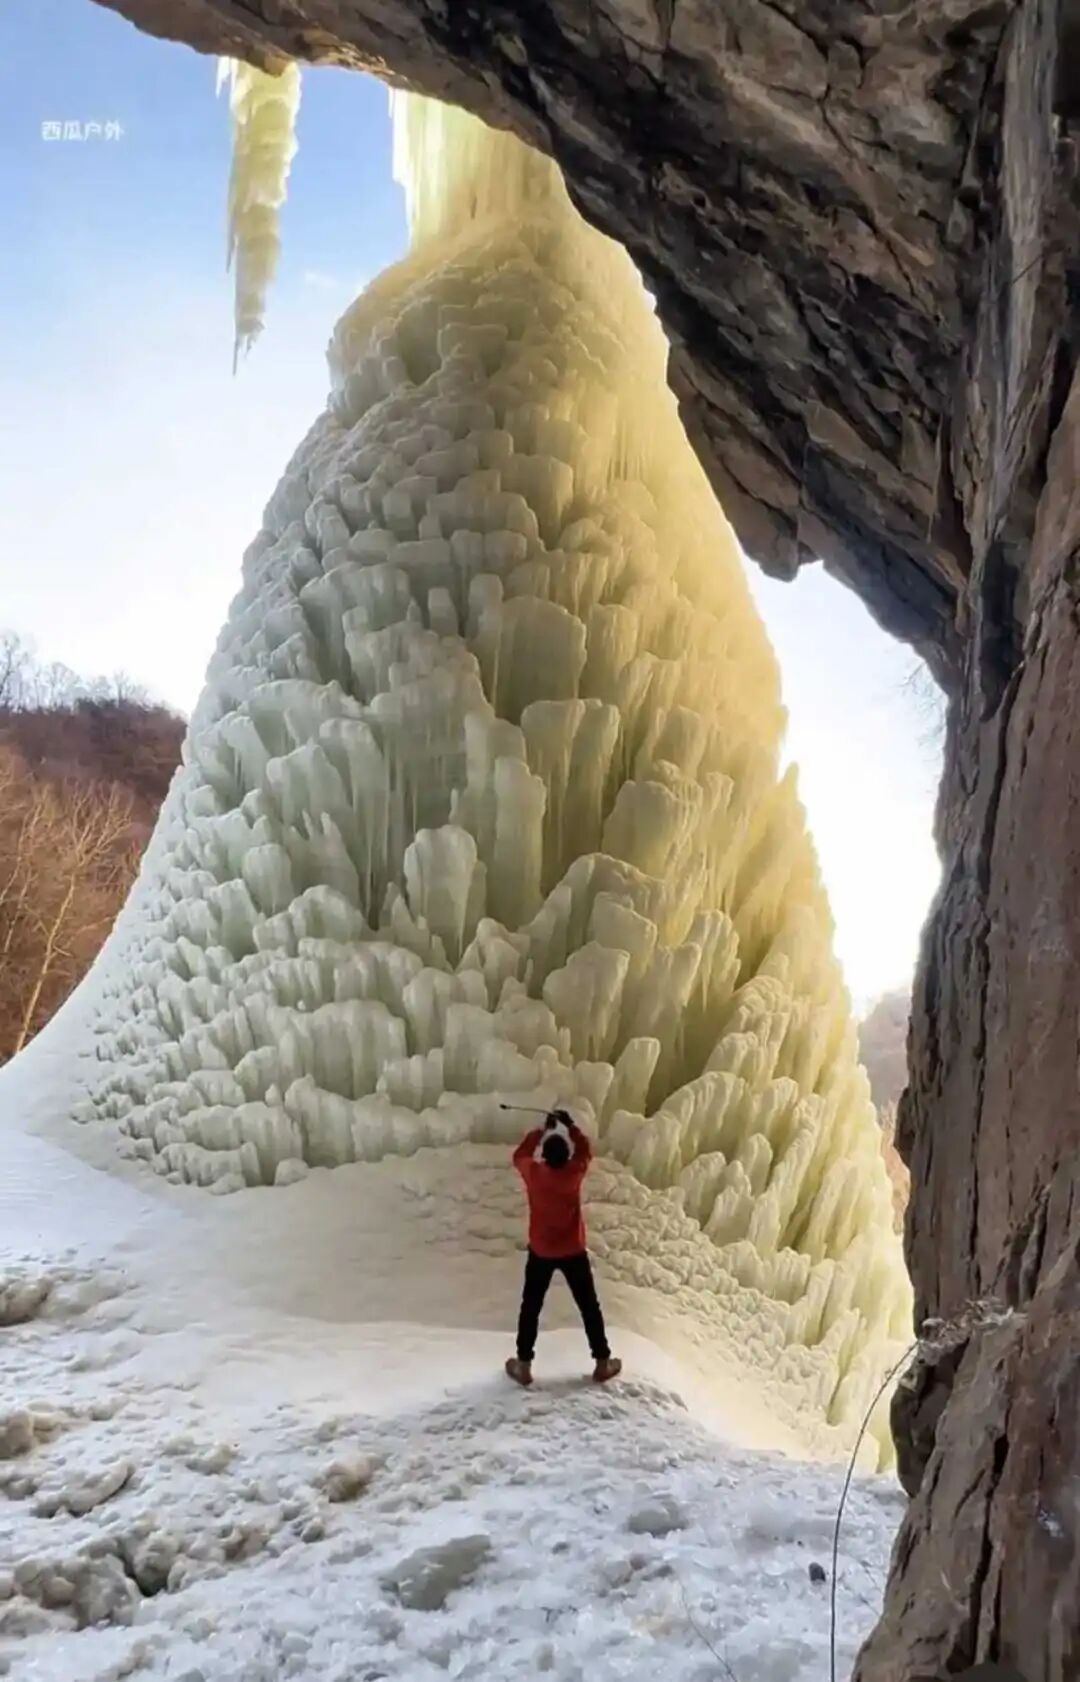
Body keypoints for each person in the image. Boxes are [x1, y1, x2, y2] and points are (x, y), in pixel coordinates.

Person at [505, 1108, 621, 1387]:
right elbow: (585, 1151)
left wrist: (542, 1130)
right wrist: (570, 1126)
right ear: (565, 1157)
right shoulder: (574, 1173)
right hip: (572, 1251)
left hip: (541, 1251)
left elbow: (519, 1155)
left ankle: (523, 1365)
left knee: (530, 1307)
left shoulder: (534, 1173)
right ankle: (602, 1362)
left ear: (543, 1157)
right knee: (588, 1306)